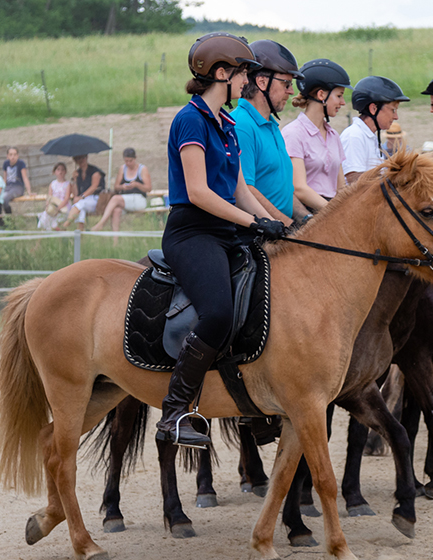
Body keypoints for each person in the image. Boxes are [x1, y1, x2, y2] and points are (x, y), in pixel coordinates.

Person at [153, 32, 285, 447]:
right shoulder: (189, 119)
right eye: (244, 72)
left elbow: (240, 186)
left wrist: (274, 224)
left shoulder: (227, 123)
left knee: (266, 302)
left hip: (229, 231)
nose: (247, 80)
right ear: (222, 73)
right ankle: (175, 411)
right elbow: (198, 192)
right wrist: (251, 221)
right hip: (193, 233)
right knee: (218, 314)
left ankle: (252, 405)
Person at [231, 39, 300, 225]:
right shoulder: (241, 125)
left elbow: (284, 191)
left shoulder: (272, 126)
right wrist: (287, 225)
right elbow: (246, 189)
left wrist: (306, 219)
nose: (291, 91)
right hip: (260, 231)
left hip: (279, 227)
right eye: (286, 84)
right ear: (262, 82)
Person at [281, 58, 350, 213]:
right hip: (306, 213)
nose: (343, 102)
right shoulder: (293, 133)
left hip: (331, 211)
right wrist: (334, 212)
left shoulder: (333, 136)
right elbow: (299, 188)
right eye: (339, 96)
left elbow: (341, 188)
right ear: (321, 95)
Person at [341, 75, 410, 184]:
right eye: (393, 110)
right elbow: (354, 179)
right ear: (373, 109)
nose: (396, 117)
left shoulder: (370, 136)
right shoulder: (354, 135)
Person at [91, 148, 152, 234]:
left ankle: (101, 224)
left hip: (139, 199)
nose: (128, 163)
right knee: (116, 210)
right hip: (124, 199)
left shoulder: (142, 169)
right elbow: (116, 187)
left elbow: (148, 188)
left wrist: (137, 184)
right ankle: (115, 240)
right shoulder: (123, 169)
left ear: (135, 158)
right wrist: (122, 187)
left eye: (130, 161)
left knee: (116, 198)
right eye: (126, 161)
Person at [60, 154, 105, 230]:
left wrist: (81, 197)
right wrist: (74, 180)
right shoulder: (78, 173)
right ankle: (79, 234)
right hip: (83, 201)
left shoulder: (95, 171)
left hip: (96, 198)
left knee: (80, 204)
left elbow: (94, 187)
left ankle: (65, 225)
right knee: (81, 209)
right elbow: (75, 194)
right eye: (77, 159)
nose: (80, 160)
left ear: (86, 157)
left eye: (82, 158)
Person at [38, 162, 71, 231]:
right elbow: (49, 197)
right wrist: (48, 206)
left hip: (63, 207)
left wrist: (58, 208)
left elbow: (66, 198)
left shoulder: (67, 184)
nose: (60, 172)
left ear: (65, 172)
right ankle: (43, 235)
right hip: (53, 206)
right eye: (58, 170)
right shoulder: (52, 184)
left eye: (62, 170)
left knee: (59, 220)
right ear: (55, 172)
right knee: (46, 216)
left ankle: (59, 231)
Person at [0, 146, 32, 211]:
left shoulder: (21, 163)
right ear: (7, 156)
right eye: (10, 155)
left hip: (18, 187)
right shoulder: (6, 164)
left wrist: (29, 192)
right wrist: (1, 189)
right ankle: (1, 218)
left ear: (18, 155)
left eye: (15, 154)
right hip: (8, 187)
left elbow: (25, 178)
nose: (13, 157)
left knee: (5, 197)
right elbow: (5, 178)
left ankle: (9, 217)